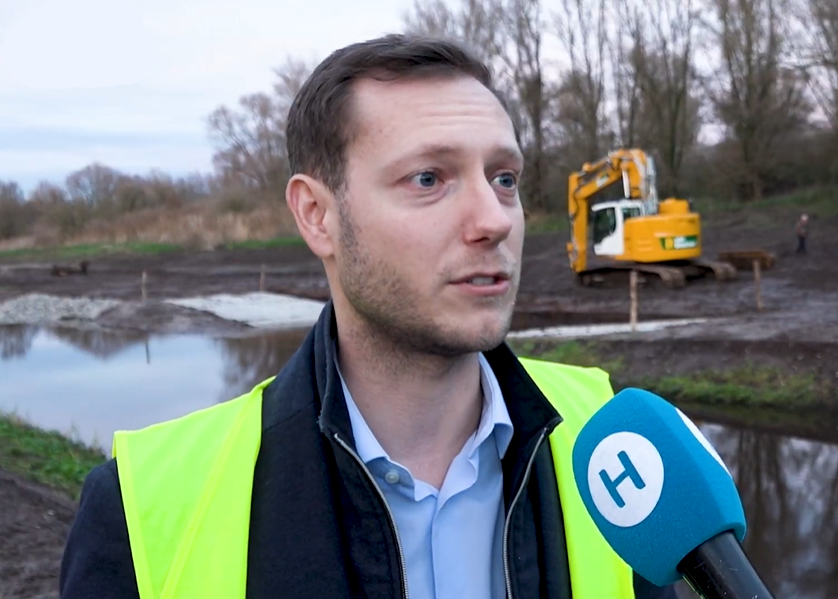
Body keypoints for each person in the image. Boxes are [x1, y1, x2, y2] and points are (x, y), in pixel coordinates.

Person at [58, 34, 681, 599]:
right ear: (317, 215)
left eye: (504, 177)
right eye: (429, 178)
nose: (494, 218)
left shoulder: (615, 454)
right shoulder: (142, 507)